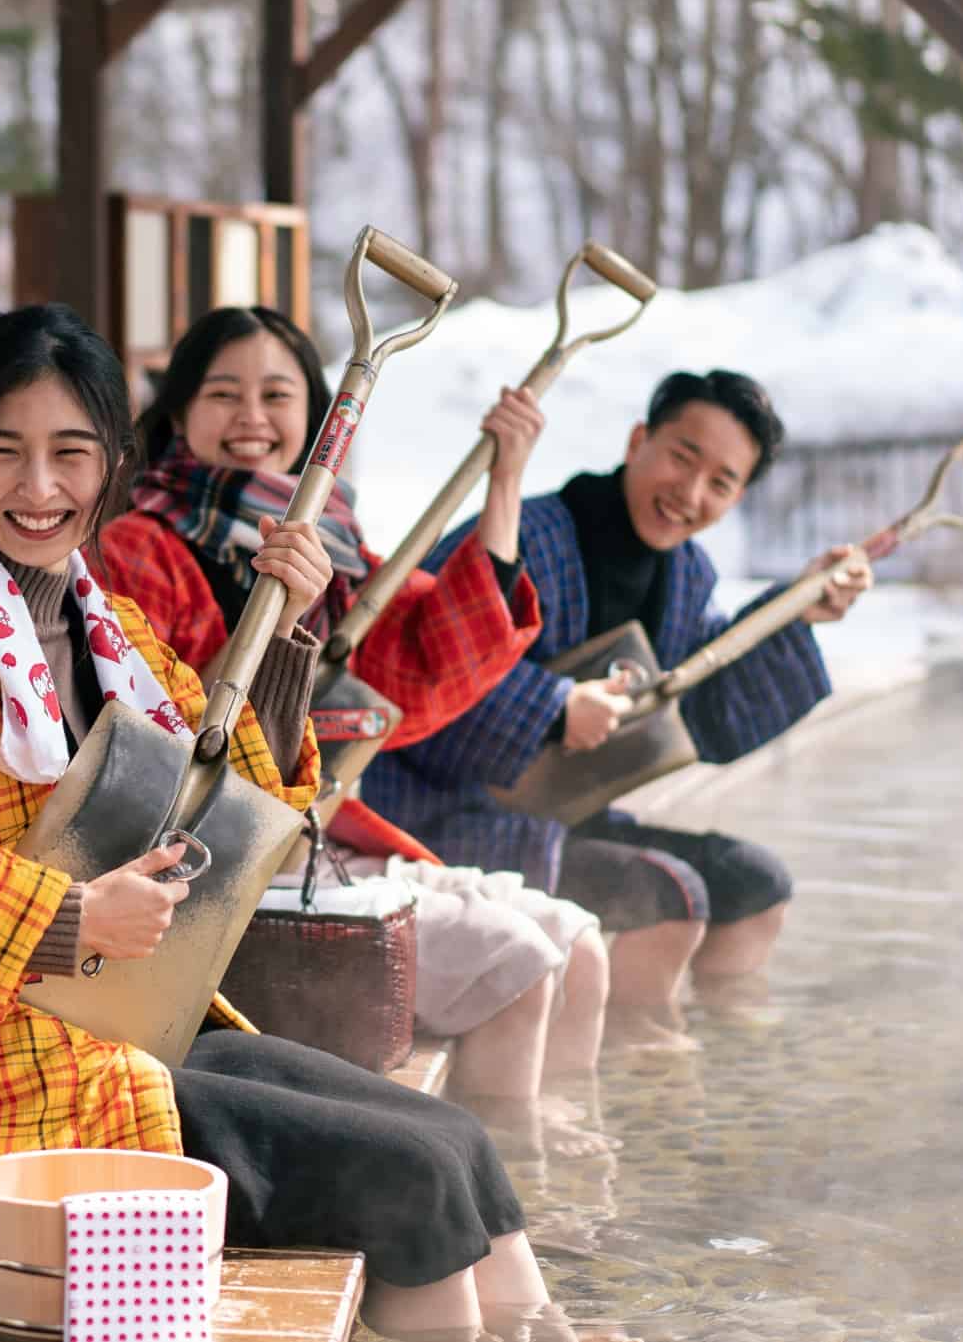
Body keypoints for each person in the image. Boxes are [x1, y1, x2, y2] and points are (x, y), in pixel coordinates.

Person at [0, 303, 570, 1338]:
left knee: (455, 1140)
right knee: (411, 1177)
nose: (38, 488)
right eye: (4, 453)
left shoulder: (106, 626)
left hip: (126, 1026)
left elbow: (231, 800)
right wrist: (67, 919)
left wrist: (284, 631)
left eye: (70, 453)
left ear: (112, 459)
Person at [98, 305, 611, 1148]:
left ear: (313, 417)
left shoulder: (327, 538)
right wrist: (279, 620)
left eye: (277, 393)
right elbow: (177, 738)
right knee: (518, 966)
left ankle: (555, 1185)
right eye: (223, 393)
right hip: (220, 873)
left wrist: (506, 476)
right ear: (180, 411)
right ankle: (493, 1190)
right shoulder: (141, 545)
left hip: (327, 841)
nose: (252, 418)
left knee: (581, 947)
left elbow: (429, 659)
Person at [369, 369, 871, 1047]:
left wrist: (793, 611)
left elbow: (700, 707)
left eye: (720, 483)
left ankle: (729, 1052)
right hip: (435, 813)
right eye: (681, 456)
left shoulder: (688, 574)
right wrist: (550, 705)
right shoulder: (527, 532)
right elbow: (407, 658)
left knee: (757, 884)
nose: (689, 493)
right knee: (668, 895)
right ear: (639, 439)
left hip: (566, 813)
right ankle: (633, 1067)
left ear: (738, 496)